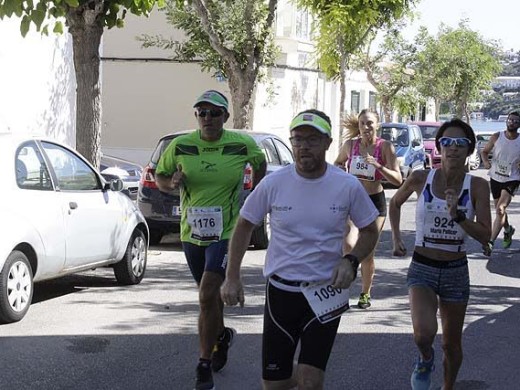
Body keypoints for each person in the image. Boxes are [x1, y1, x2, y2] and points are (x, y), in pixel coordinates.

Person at [221, 109, 381, 390]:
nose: (303, 146)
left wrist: (352, 260)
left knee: (310, 380)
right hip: (282, 293)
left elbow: (369, 229)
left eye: (312, 140)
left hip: (325, 292)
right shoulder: (274, 183)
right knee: (276, 384)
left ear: (328, 143)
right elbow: (244, 225)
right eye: (297, 140)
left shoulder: (346, 185)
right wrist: (232, 276)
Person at [155, 90, 267, 390]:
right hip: (192, 233)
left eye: (214, 113)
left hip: (226, 231)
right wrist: (171, 183)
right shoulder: (181, 146)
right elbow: (160, 177)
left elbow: (260, 163)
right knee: (210, 299)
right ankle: (222, 336)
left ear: (225, 117)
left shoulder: (241, 144)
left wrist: (254, 193)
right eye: (201, 113)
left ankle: (203, 364)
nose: (207, 118)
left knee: (206, 293)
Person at [389, 118, 491, 390]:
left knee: (451, 342)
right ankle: (425, 359)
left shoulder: (478, 186)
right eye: (447, 142)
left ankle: (448, 386)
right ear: (439, 147)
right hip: (422, 266)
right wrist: (397, 239)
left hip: (456, 270)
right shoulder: (420, 178)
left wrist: (457, 215)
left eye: (460, 143)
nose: (453, 148)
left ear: (469, 150)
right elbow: (395, 203)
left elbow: (484, 234)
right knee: (423, 334)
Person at [334, 109, 402, 309]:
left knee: (367, 251)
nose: (366, 127)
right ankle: (343, 290)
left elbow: (398, 180)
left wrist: (378, 166)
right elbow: (337, 162)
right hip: (353, 200)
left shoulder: (385, 147)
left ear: (377, 125)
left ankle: (365, 293)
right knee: (348, 244)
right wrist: (340, 171)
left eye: (370, 123)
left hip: (374, 202)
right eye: (363, 123)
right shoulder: (351, 145)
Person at [481, 110, 520, 255]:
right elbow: (484, 152)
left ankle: (490, 243)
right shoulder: (497, 137)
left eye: (516, 121)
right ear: (506, 121)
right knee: (499, 210)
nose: (512, 123)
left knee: (500, 209)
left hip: (513, 178)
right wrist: (485, 162)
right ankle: (508, 229)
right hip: (496, 177)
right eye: (510, 120)